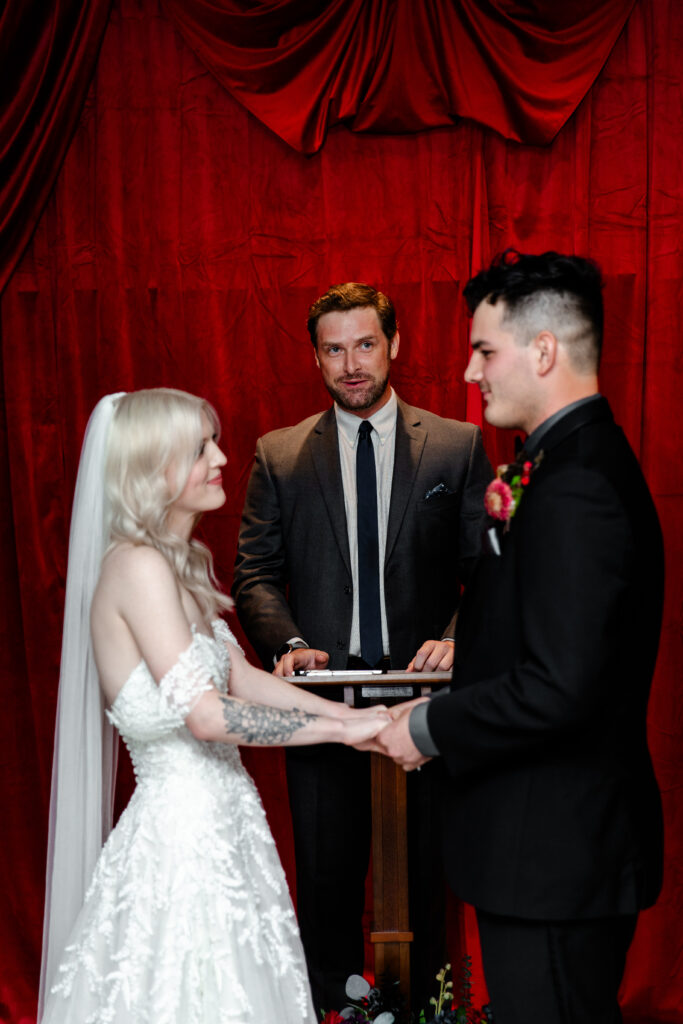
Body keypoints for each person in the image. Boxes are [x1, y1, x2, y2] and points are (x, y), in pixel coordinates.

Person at [38, 388, 389, 1024]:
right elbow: (207, 715)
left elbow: (244, 679)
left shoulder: (178, 568)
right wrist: (340, 734)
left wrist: (354, 717)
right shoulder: (137, 567)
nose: (222, 458)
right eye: (201, 448)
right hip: (182, 844)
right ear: (154, 468)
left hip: (226, 827)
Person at [378, 251, 665, 1023]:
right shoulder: (554, 463)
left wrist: (428, 725)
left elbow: (560, 685)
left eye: (483, 350)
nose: (471, 373)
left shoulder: (575, 484)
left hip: (556, 856)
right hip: (543, 850)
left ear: (543, 351)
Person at [232, 283, 492, 1013]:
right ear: (316, 357)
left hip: (427, 708)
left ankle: (430, 1012)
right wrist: (288, 642)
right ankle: (336, 1009)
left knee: (430, 879)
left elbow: (489, 574)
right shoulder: (279, 455)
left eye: (365, 344)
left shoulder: (455, 445)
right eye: (334, 348)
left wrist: (453, 638)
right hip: (320, 710)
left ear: (394, 344)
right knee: (326, 885)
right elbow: (254, 573)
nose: (351, 363)